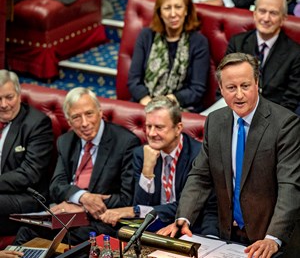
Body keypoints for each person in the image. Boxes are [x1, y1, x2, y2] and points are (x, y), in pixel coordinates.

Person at [158, 53, 300, 257]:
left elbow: (290, 186)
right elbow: (200, 176)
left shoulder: (285, 124)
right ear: (221, 89)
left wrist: (273, 237)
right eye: (231, 88)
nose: (239, 95)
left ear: (257, 83)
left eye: (245, 86)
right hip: (229, 235)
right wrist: (184, 218)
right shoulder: (215, 121)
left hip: (271, 240)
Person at [15, 87, 141, 245]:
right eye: (76, 117)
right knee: (26, 230)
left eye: (89, 114)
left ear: (100, 112)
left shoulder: (125, 143)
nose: (85, 123)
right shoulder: (66, 141)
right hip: (67, 214)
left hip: (102, 221)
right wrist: (82, 197)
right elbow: (56, 186)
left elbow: (127, 198)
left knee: (59, 238)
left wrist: (84, 207)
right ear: (69, 121)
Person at [100, 96, 218, 235]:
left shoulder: (198, 155)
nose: (151, 133)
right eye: (148, 126)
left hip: (188, 226)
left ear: (178, 128)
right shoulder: (141, 154)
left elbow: (188, 204)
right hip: (155, 222)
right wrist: (147, 171)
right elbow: (141, 203)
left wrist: (135, 210)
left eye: (159, 127)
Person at [127, 0, 210, 113]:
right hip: (145, 105)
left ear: (186, 10)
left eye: (178, 7)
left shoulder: (198, 42)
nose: (173, 14)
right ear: (159, 12)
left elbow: (197, 89)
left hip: (180, 108)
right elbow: (133, 80)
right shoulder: (146, 36)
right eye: (167, 8)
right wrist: (148, 102)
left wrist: (167, 104)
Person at [226, 0, 300, 113]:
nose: (266, 18)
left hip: (272, 119)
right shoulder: (237, 43)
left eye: (273, 13)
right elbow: (225, 84)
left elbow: (290, 101)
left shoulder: (295, 53)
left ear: (283, 19)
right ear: (254, 14)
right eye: (262, 11)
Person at [0, 70, 53, 236]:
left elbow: (29, 174)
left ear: (19, 95)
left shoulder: (37, 124)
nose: (3, 104)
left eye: (9, 97)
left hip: (25, 197)